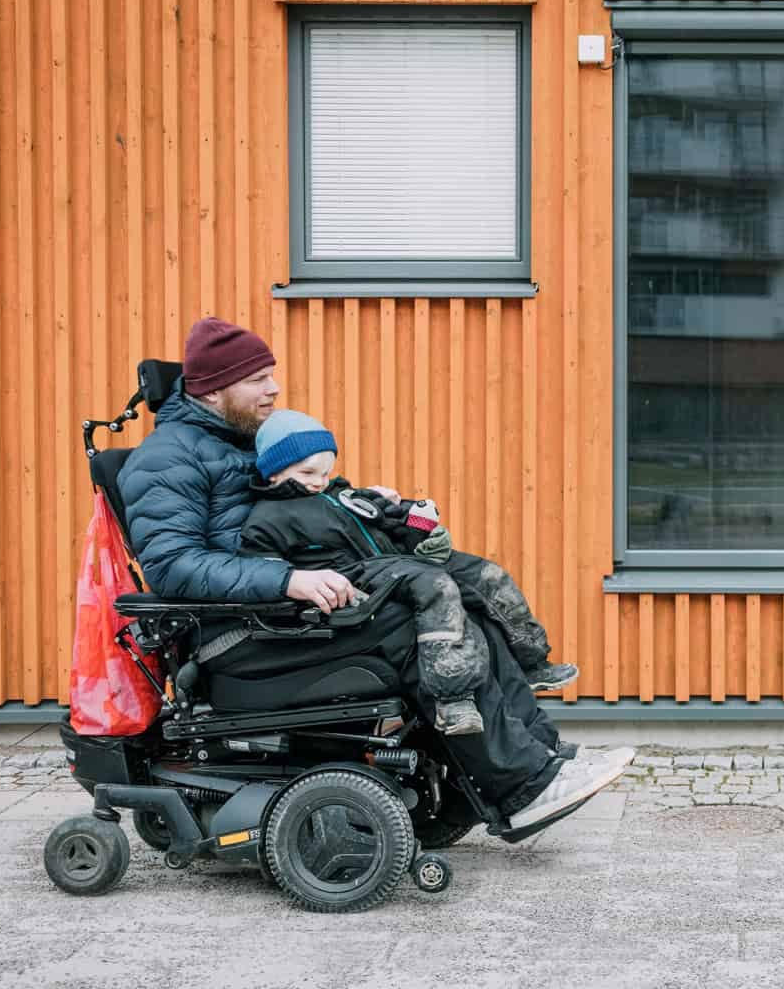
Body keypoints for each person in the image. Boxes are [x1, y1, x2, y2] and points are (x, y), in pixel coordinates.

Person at [118, 317, 628, 834]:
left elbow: (305, 505)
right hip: (243, 636)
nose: (273, 388)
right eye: (257, 380)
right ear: (212, 390)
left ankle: (542, 753)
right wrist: (286, 580)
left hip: (295, 616)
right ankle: (524, 787)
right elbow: (173, 566)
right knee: (423, 628)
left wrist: (359, 503)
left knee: (465, 599)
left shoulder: (249, 441)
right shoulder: (165, 459)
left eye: (271, 375)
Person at [238, 408, 579, 738]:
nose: (320, 482)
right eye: (308, 473)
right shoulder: (269, 517)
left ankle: (532, 660)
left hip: (395, 560)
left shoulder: (343, 496)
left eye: (326, 473)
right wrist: (295, 583)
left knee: (486, 574)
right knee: (435, 587)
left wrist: (421, 522)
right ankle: (453, 698)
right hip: (354, 577)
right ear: (275, 473)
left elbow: (399, 523)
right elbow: (265, 571)